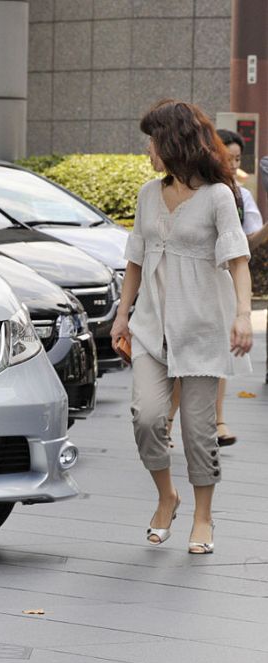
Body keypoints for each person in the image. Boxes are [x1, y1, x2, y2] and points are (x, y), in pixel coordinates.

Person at [112, 99, 253, 555]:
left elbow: (238, 262)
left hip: (201, 330)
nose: (148, 151)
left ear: (173, 142)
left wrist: (243, 316)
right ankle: (166, 496)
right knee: (147, 419)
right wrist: (122, 315)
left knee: (198, 432)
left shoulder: (218, 196)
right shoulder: (149, 194)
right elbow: (135, 259)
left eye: (153, 141)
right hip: (152, 328)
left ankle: (204, 516)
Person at [165, 130, 266, 447]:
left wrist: (243, 314)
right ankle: (168, 423)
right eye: (228, 157)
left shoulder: (238, 196)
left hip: (219, 287)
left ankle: (216, 422)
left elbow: (248, 244)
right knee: (183, 363)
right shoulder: (192, 191)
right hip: (185, 288)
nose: (233, 163)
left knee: (214, 359)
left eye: (237, 158)